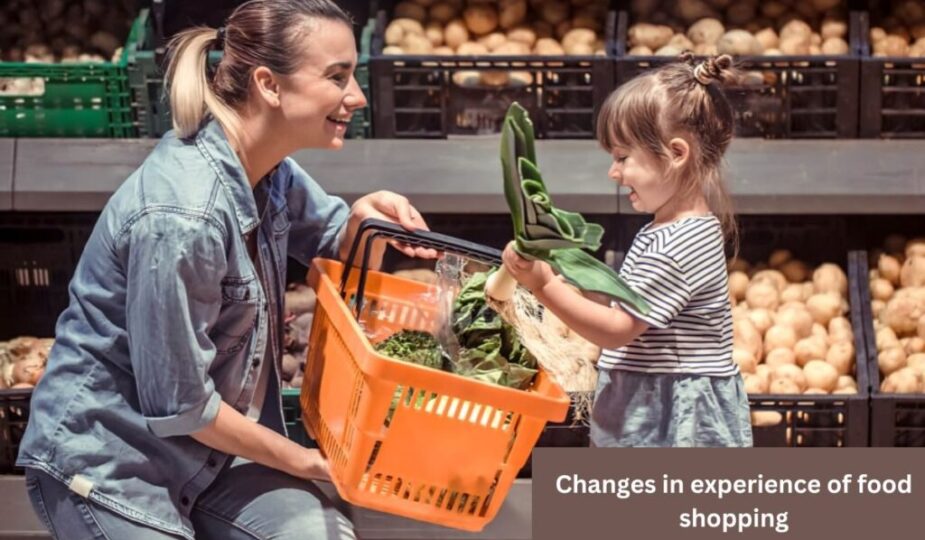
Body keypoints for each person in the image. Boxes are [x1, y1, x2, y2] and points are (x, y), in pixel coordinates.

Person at [17, 1, 436, 538]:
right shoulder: (182, 217)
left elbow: (336, 249)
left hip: (207, 458)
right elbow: (183, 407)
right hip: (111, 463)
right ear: (269, 84)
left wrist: (363, 218)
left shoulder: (268, 168)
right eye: (337, 77)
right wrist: (309, 463)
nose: (355, 96)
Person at [500, 54, 753, 448]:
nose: (613, 173)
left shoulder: (676, 245)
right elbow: (629, 302)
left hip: (671, 416)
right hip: (661, 399)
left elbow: (618, 331)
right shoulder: (672, 228)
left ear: (676, 153)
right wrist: (576, 279)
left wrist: (544, 285)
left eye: (622, 158)